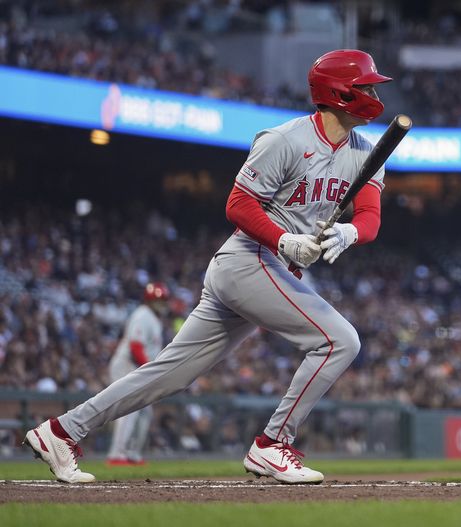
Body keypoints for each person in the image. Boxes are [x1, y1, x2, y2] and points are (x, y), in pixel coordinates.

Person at [23, 49, 392, 484]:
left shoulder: (366, 151)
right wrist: (284, 239)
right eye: (365, 85)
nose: (372, 93)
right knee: (340, 340)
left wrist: (350, 234)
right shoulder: (285, 140)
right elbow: (238, 205)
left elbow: (369, 216)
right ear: (339, 92)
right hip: (250, 259)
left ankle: (62, 431)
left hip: (264, 270)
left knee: (170, 375)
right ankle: (272, 445)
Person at [106, 282, 170, 466]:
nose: (161, 304)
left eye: (163, 300)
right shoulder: (143, 315)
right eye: (158, 300)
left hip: (139, 368)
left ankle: (131, 453)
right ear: (149, 300)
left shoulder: (154, 319)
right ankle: (117, 454)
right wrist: (150, 369)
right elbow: (135, 346)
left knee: (144, 413)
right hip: (127, 366)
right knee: (129, 411)